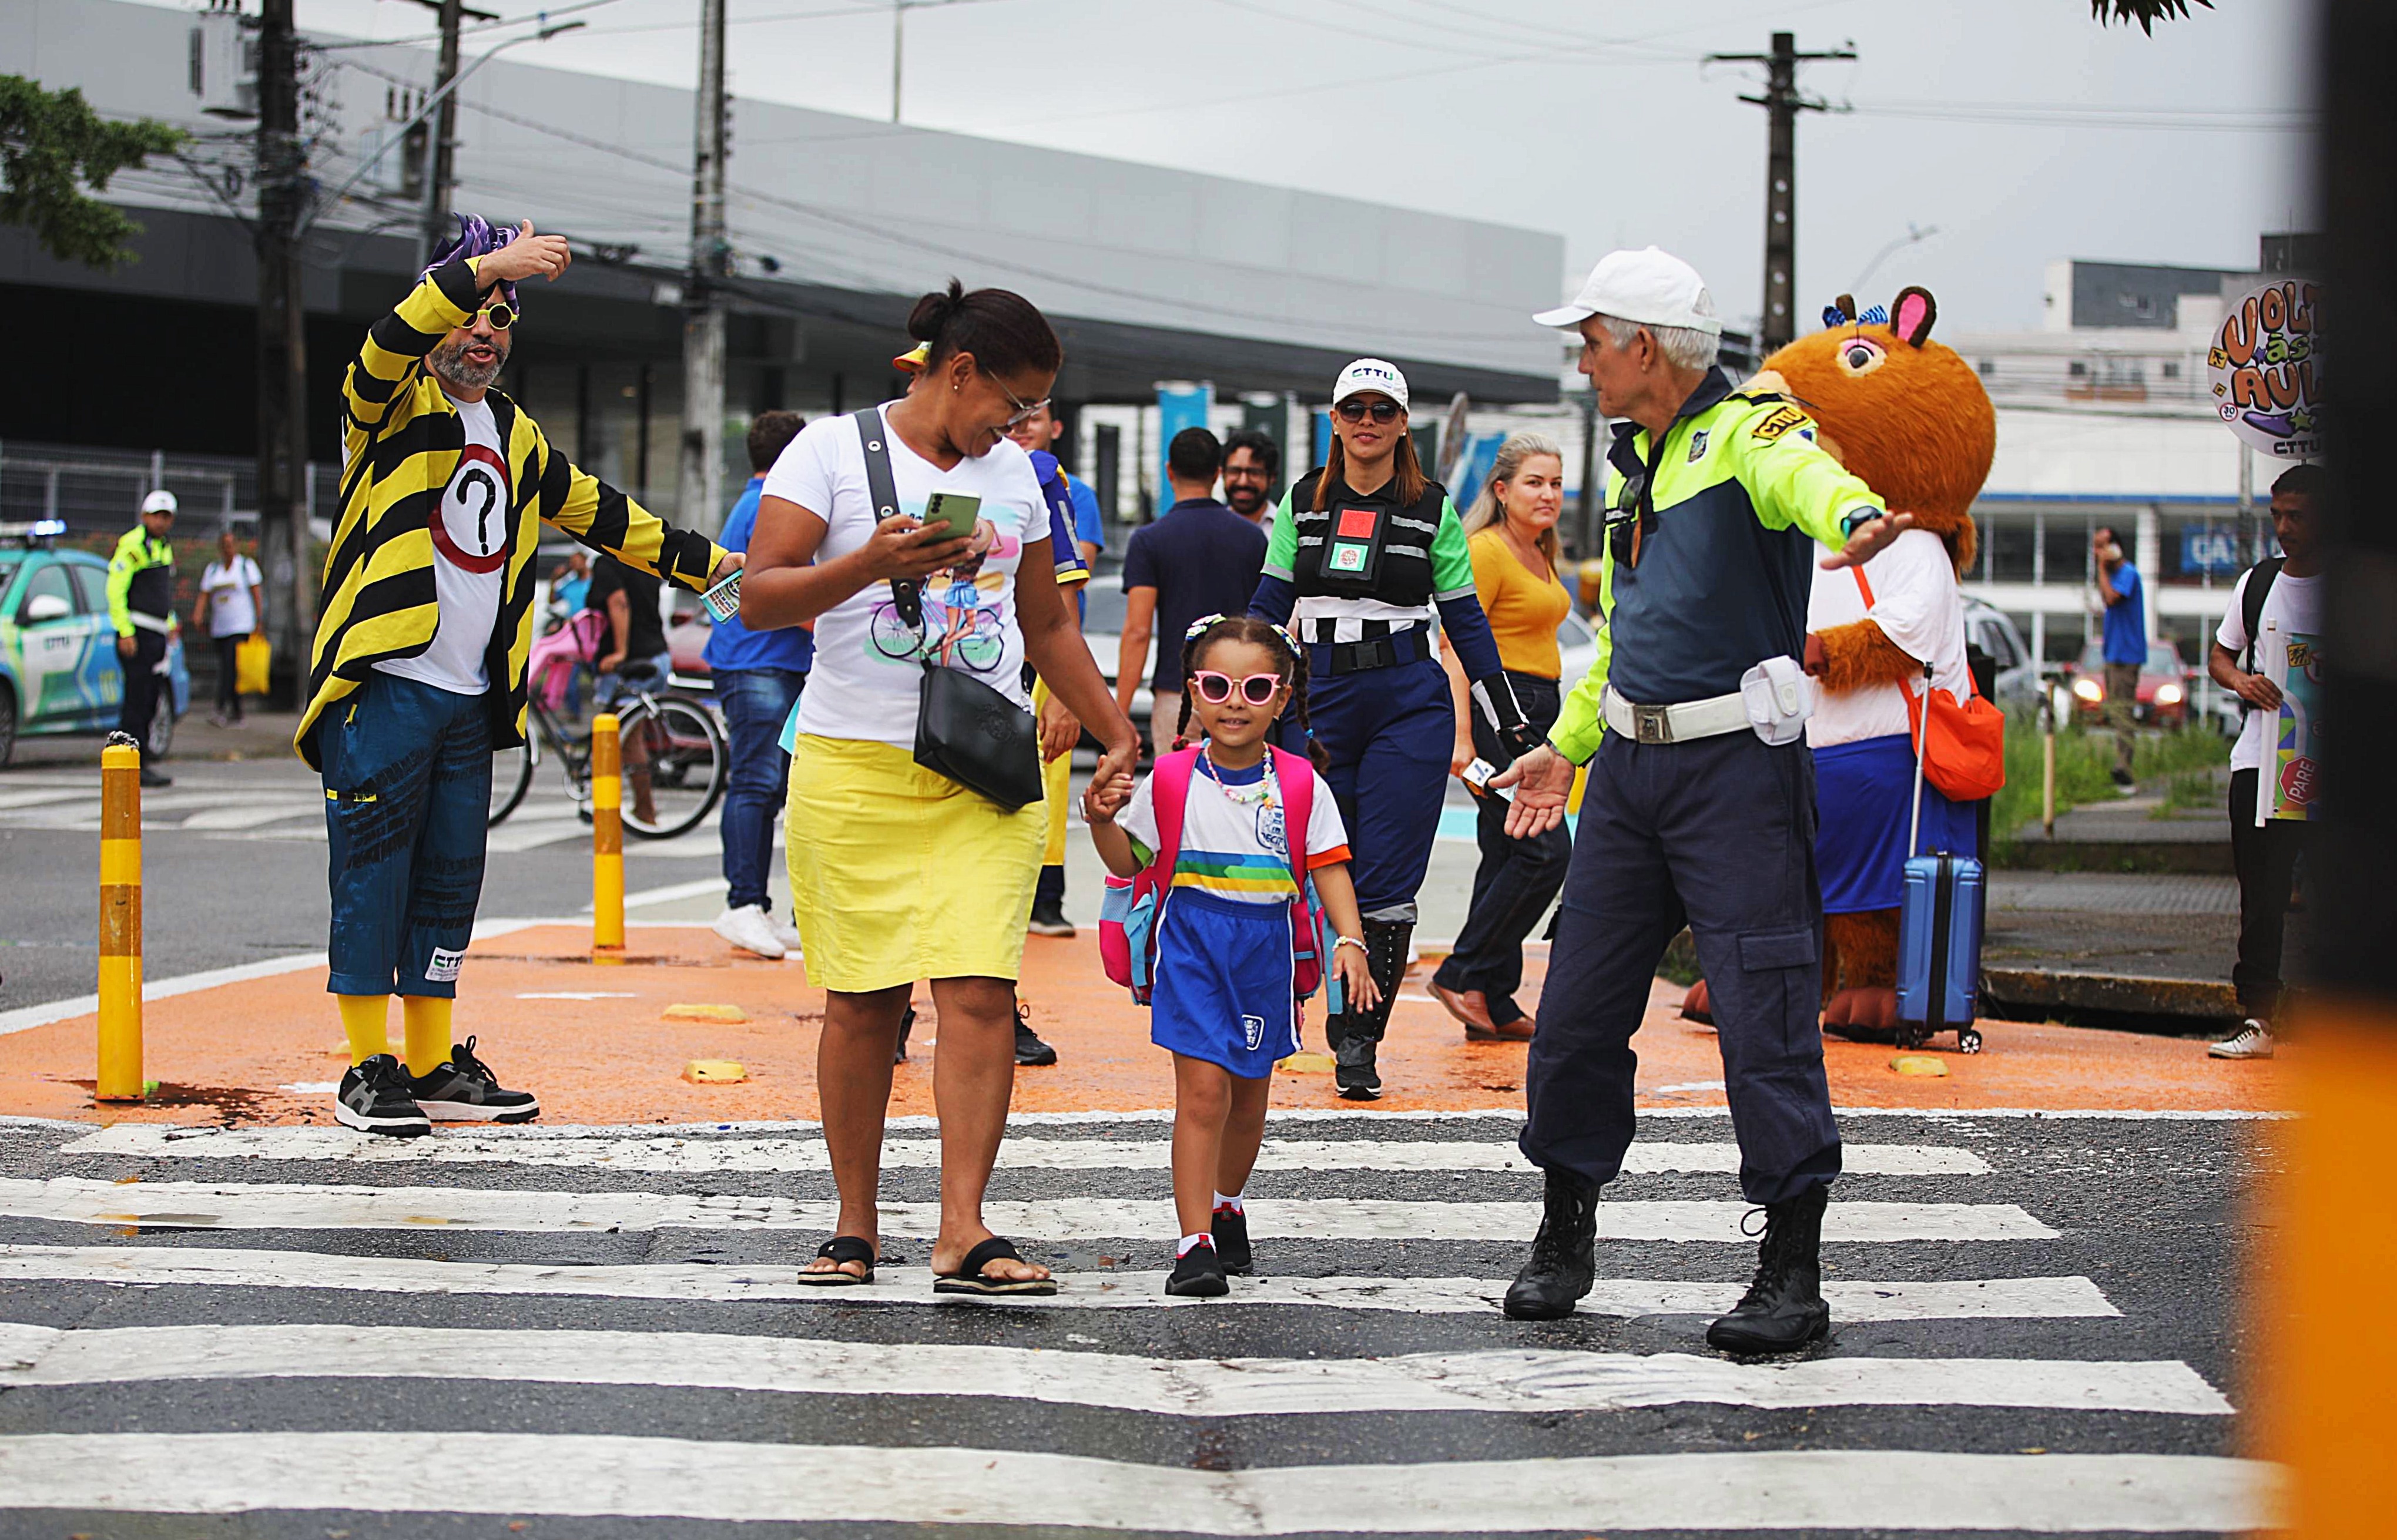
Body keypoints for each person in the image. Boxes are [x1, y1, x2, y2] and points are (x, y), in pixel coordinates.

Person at [1491, 247, 1915, 1351]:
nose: (1581, 363)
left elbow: (1804, 478)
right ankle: (1563, 1231)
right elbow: (1626, 636)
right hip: (1628, 780)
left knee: (1764, 1019)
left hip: (1736, 776)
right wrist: (1565, 749)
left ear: (1642, 346)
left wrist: (1852, 516)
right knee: (1575, 1015)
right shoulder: (1632, 461)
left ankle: (1791, 1272)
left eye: (1590, 342)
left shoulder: (1748, 431)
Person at [741, 279, 1138, 1294]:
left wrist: (1113, 729)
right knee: (862, 1001)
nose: (1021, 423)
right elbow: (761, 595)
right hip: (852, 763)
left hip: (983, 768)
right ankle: (854, 1225)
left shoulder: (1019, 477)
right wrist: (869, 564)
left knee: (979, 993)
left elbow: (1046, 623)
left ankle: (963, 1228)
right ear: (960, 371)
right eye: (1012, 401)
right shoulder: (829, 450)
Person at [299, 215, 735, 1138]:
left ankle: (430, 1065)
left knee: (449, 883)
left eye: (502, 318)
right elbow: (389, 339)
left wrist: (714, 567)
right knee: (372, 877)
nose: (485, 333)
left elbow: (606, 515)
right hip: (385, 684)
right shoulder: (384, 403)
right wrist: (487, 266)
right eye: (472, 313)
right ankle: (366, 1068)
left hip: (471, 698)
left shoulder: (513, 432)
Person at [1249, 360, 1534, 1099]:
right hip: (1318, 701)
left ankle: (1357, 1037)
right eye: (1355, 409)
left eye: (1382, 409)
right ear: (1334, 420)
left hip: (1408, 701)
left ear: (1403, 423)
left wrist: (1511, 721)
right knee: (1313, 860)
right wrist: (1225, 693)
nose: (1368, 421)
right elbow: (1266, 609)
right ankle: (1298, 1003)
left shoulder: (1431, 507)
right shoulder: (1302, 502)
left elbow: (1466, 622)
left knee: (1386, 878)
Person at [1088, 615, 1375, 1295]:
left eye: (1255, 688)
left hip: (1265, 953)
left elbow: (1329, 868)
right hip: (1189, 945)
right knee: (1203, 1093)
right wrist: (1099, 819)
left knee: (1247, 1098)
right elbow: (1130, 860)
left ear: (1282, 698)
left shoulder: (1302, 783)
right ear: (1193, 692)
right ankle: (1193, 1244)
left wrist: (1351, 940)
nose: (1234, 702)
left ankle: (1226, 1203)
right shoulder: (1170, 778)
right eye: (1216, 686)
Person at [1429, 433, 1575, 1041]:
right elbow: (1453, 644)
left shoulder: (1538, 549)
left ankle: (1492, 994)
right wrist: (1461, 735)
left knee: (1505, 851)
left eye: (1555, 483)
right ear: (1501, 490)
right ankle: (1459, 971)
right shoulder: (1486, 550)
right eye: (1533, 482)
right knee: (1545, 852)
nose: (1547, 494)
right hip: (1498, 713)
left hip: (1535, 712)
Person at [2205, 463, 2325, 1061]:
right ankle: (2256, 1016)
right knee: (2261, 895)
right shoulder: (2256, 584)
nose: (2283, 527)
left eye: (2296, 516)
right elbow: (2219, 655)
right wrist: (2241, 682)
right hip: (2260, 762)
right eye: (2276, 515)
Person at [708, 410, 813, 961]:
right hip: (760, 660)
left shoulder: (754, 503)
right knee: (757, 781)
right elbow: (778, 589)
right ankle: (744, 903)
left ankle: (755, 904)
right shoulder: (771, 506)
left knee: (771, 786)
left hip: (762, 659)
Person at [1005, 402, 1104, 944]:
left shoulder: (1054, 482)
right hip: (968, 663)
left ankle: (1045, 899)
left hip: (1040, 660)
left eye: (1032, 416)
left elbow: (1066, 576)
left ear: (1055, 426)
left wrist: (1066, 692)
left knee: (1046, 784)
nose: (1019, 427)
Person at [1118, 430, 1268, 759]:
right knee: (1240, 783)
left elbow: (1138, 631)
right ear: (1217, 473)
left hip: (1178, 691)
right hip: (1241, 690)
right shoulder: (1253, 539)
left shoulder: (1149, 540)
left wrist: (1121, 712)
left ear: (1169, 470)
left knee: (1179, 786)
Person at [585, 551, 671, 827]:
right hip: (657, 654)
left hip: (633, 660)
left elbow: (619, 602)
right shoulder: (642, 557)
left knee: (624, 737)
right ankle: (626, 805)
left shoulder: (607, 562)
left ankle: (643, 810)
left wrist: (620, 652)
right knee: (627, 733)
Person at [108, 489, 179, 787]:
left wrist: (171, 622)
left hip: (156, 635)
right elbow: (116, 590)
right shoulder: (133, 545)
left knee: (151, 699)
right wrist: (125, 631)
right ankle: (128, 764)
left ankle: (142, 759)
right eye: (156, 516)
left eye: (166, 517)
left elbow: (161, 592)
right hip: (137, 634)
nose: (161, 522)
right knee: (136, 702)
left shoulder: (163, 547)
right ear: (144, 516)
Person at [2093, 524, 2146, 793]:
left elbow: (2112, 598)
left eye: (2102, 546)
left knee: (2123, 711)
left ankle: (2125, 767)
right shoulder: (2114, 575)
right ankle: (2120, 763)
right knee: (2116, 712)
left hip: (2126, 655)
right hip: (2113, 652)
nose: (2097, 553)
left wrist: (2102, 568)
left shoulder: (2128, 574)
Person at [195, 527, 264, 728]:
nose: (228, 549)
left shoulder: (245, 567)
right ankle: (237, 712)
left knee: (229, 667)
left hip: (241, 626)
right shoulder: (213, 570)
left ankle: (220, 709)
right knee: (229, 669)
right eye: (224, 545)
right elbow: (204, 595)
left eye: (231, 545)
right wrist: (198, 614)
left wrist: (259, 620)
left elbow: (257, 594)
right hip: (220, 627)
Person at [1222, 429, 1280, 531]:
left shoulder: (1288, 528)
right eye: (1235, 471)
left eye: (1254, 473)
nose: (1243, 482)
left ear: (1272, 478)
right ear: (1222, 473)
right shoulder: (1211, 526)